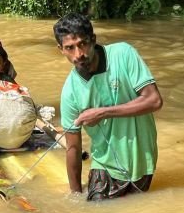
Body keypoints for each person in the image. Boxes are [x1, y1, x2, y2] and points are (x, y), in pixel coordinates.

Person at [53, 13, 163, 201]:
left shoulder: (123, 54)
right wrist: (75, 194)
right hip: (104, 164)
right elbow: (73, 147)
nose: (78, 54)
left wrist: (103, 112)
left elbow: (154, 100)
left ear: (93, 40)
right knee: (96, 210)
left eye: (82, 44)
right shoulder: (70, 92)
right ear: (61, 49)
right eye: (69, 48)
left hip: (142, 160)